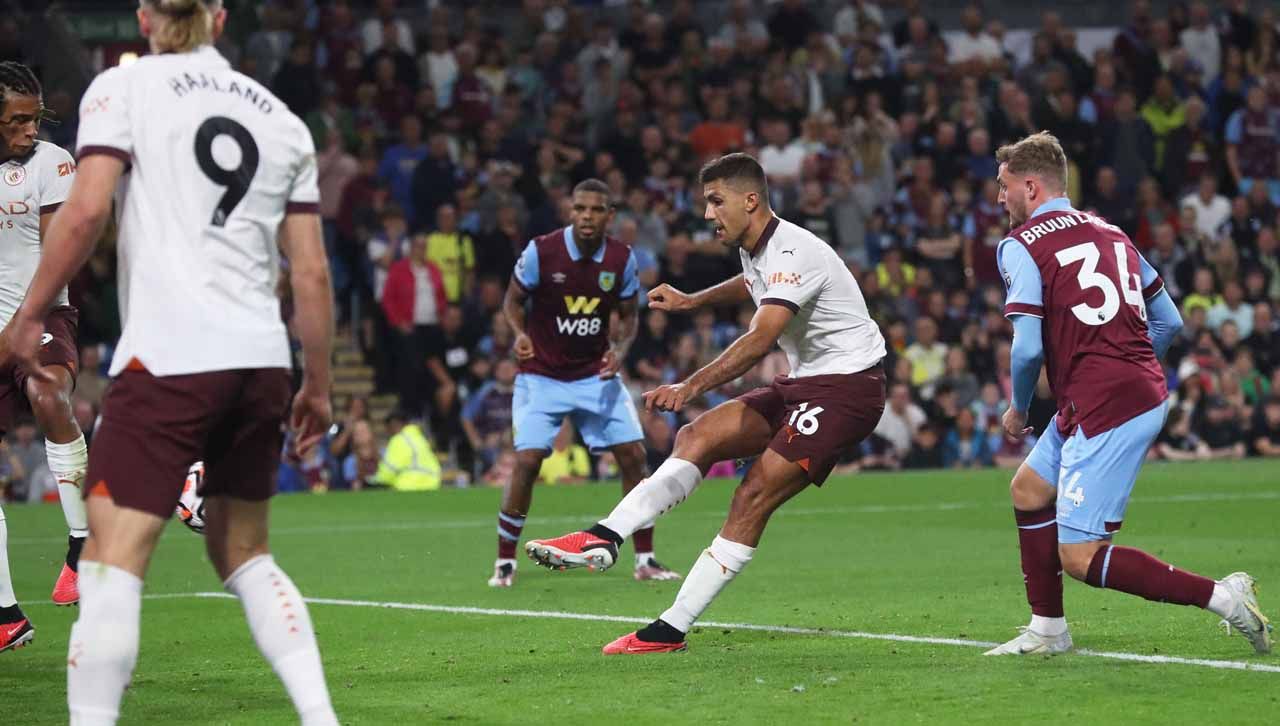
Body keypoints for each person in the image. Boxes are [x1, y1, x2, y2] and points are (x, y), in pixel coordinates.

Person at [0, 2, 340, 722]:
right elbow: (309, 272)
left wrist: (29, 317)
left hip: (170, 355)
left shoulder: (122, 89)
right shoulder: (278, 116)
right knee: (246, 553)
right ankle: (320, 717)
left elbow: (86, 214)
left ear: (146, 16)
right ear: (219, 17)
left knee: (110, 561)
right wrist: (318, 382)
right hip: (260, 360)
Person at [526, 153, 887, 654]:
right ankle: (604, 536)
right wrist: (694, 300)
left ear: (750, 200)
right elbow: (750, 284)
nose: (707, 214)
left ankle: (669, 629)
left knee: (752, 494)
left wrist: (688, 387)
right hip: (806, 382)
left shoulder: (793, 253)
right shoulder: (757, 249)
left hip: (848, 389)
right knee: (696, 436)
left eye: (716, 202)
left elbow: (760, 339)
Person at [984, 132, 1270, 657]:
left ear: (1029, 186)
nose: (999, 198)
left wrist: (1019, 408)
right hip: (1113, 392)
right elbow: (1170, 320)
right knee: (1028, 489)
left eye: (1003, 187)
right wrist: (1129, 363)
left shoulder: (1020, 245)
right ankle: (1048, 629)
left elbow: (1025, 352)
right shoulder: (1110, 232)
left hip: (1106, 403)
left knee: (1082, 556)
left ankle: (1225, 598)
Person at [492, 178, 678, 588]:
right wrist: (520, 335)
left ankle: (645, 559)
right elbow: (510, 302)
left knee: (633, 456)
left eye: (596, 210)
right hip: (541, 375)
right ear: (570, 212)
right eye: (580, 209)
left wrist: (621, 350)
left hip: (595, 374)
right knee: (527, 460)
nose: (587, 217)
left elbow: (629, 317)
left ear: (609, 216)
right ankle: (505, 562)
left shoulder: (621, 258)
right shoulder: (542, 251)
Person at [0, 60, 94, 633]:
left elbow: (60, 255)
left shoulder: (52, 163)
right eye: (16, 121)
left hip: (42, 311)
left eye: (34, 119)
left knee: (47, 391)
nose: (29, 130)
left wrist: (21, 326)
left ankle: (83, 542)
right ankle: (5, 612)